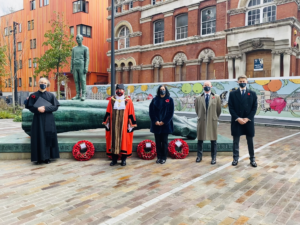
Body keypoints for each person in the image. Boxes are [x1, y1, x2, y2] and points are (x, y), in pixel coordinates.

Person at [25, 78, 60, 164]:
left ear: (47, 84)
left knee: (48, 137)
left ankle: (47, 157)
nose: (43, 84)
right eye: (41, 82)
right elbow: (30, 107)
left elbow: (55, 107)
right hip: (38, 119)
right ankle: (39, 158)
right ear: (38, 83)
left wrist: (45, 108)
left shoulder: (51, 95)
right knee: (38, 136)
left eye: (44, 83)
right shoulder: (33, 95)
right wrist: (37, 109)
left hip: (48, 118)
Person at [102, 84, 137, 166]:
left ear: (124, 91)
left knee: (124, 142)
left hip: (124, 126)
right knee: (113, 141)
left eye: (121, 90)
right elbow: (108, 111)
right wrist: (107, 123)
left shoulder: (128, 100)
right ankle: (114, 160)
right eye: (118, 90)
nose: (119, 91)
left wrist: (131, 124)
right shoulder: (112, 100)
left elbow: (131, 112)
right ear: (116, 91)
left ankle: (123, 160)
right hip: (113, 125)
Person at [228, 75, 258, 167]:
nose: (242, 83)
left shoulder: (252, 93)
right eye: (240, 81)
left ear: (247, 82)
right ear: (238, 82)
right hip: (237, 121)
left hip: (248, 121)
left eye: (243, 81)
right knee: (236, 141)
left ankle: (252, 159)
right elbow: (231, 107)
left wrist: (247, 118)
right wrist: (238, 118)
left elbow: (254, 107)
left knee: (250, 141)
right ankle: (235, 158)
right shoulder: (233, 94)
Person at [194, 81, 221, 164]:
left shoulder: (216, 97)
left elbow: (218, 110)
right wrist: (201, 116)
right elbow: (197, 110)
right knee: (200, 139)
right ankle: (199, 156)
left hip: (212, 121)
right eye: (205, 85)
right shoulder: (198, 98)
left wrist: (214, 117)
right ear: (203, 87)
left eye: (208, 85)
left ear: (211, 86)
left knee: (213, 140)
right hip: (202, 120)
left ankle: (213, 158)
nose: (207, 87)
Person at [149, 85, 174, 164]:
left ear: (166, 90)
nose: (162, 91)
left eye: (163, 89)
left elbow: (171, 113)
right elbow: (151, 111)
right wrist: (155, 120)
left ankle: (164, 157)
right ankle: (159, 157)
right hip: (156, 125)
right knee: (158, 142)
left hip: (165, 125)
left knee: (164, 141)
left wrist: (164, 121)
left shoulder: (170, 100)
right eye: (161, 89)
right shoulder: (154, 100)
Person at [71, 34, 90, 101]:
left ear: (82, 39)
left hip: (81, 65)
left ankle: (83, 94)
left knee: (82, 80)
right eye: (76, 38)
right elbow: (72, 58)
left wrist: (86, 67)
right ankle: (77, 94)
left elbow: (87, 58)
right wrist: (71, 67)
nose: (77, 39)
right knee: (76, 80)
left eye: (79, 38)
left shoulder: (85, 48)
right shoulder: (74, 49)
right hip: (75, 65)